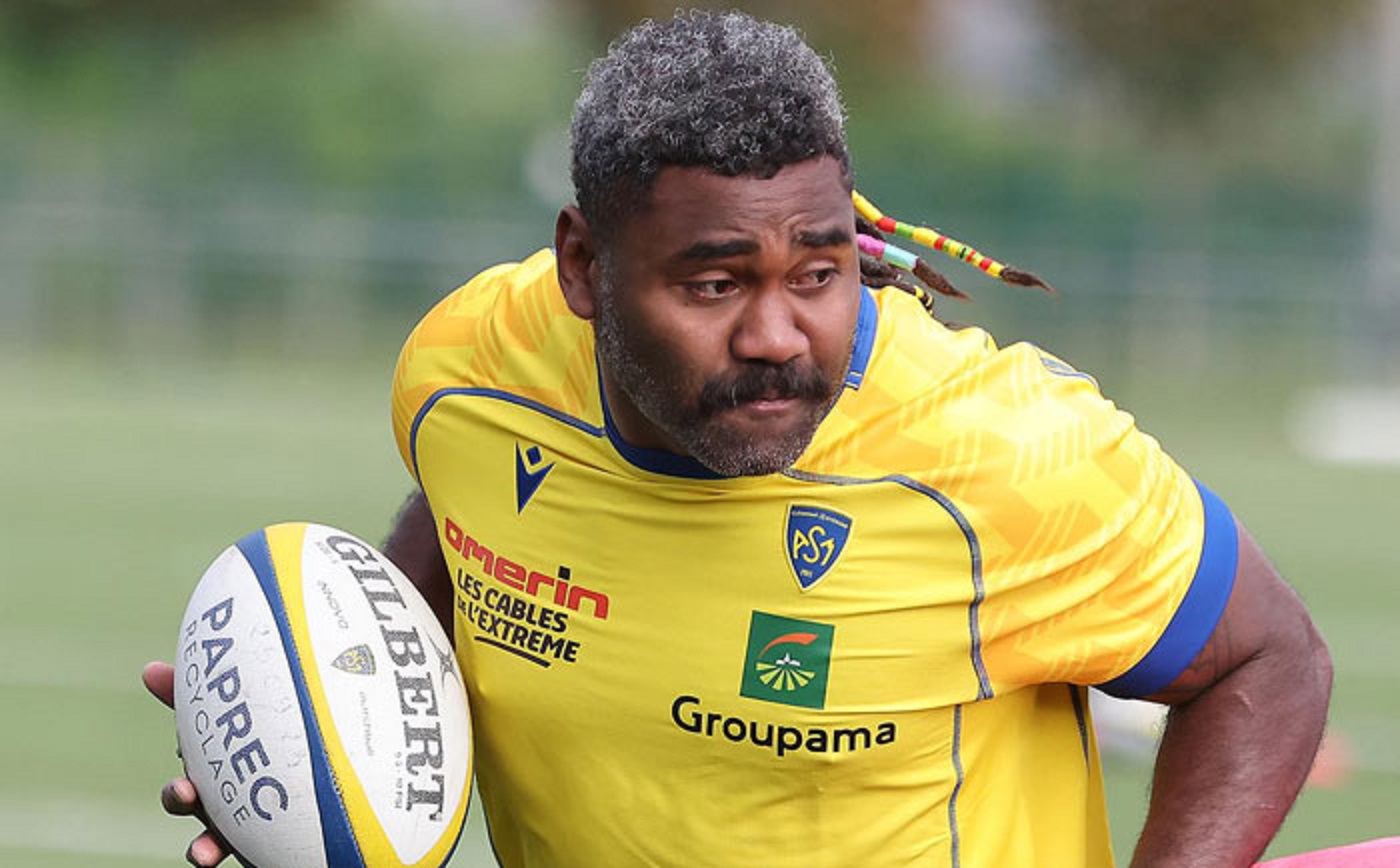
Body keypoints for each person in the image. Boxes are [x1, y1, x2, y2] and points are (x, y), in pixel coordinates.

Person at [144, 10, 1332, 867]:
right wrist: (312, 724)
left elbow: (1265, 661)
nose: (776, 335)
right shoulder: (470, 370)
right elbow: (468, 516)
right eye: (713, 283)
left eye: (817, 272)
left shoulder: (1003, 453)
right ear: (581, 267)